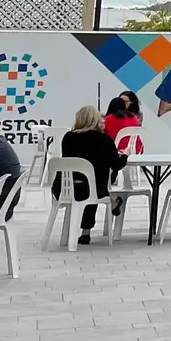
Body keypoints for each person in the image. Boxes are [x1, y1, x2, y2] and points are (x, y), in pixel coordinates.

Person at [54, 104, 127, 244]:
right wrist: (125, 155)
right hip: (94, 190)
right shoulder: (104, 140)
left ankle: (85, 231)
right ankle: (88, 228)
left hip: (65, 189)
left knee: (87, 182)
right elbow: (117, 165)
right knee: (93, 184)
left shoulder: (68, 138)